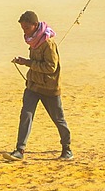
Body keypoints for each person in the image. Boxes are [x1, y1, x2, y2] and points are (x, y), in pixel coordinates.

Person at [8, 11, 72, 161]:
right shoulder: (33, 40)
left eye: (26, 28)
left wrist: (28, 63)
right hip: (33, 86)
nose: (24, 31)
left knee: (58, 118)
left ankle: (67, 148)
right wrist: (25, 63)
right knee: (26, 115)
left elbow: (51, 67)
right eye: (22, 28)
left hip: (49, 87)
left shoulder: (48, 44)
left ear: (35, 25)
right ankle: (19, 150)